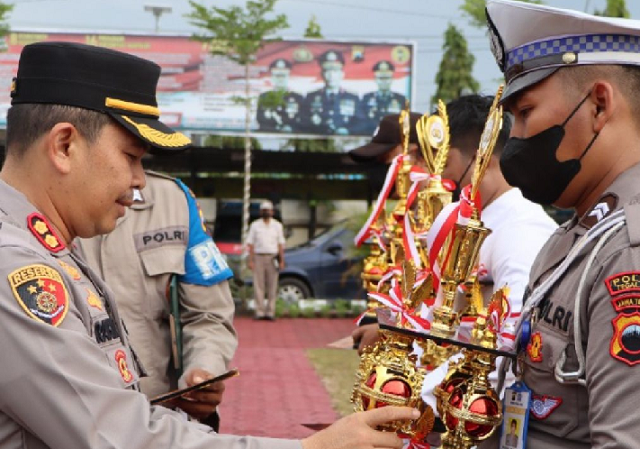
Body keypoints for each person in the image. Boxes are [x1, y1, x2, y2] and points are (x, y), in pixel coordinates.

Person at [0, 40, 418, 448]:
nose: (139, 180)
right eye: (131, 156)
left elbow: (202, 316)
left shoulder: (54, 244)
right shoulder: (15, 267)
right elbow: (119, 436)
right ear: (64, 145)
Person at [484, 1, 640, 447]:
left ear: (599, 104)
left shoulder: (628, 249)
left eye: (526, 112)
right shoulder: (577, 235)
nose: (514, 140)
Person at [351, 96, 557, 354]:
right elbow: (442, 318)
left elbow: (510, 342)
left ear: (480, 157)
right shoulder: (470, 219)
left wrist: (429, 388)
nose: (439, 177)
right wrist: (392, 334)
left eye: (445, 163)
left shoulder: (522, 230)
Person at [78, 170, 237, 429]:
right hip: (68, 426)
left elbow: (209, 314)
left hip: (159, 421)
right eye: (128, 154)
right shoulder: (25, 204)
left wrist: (202, 372)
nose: (139, 176)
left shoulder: (174, 201)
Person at [302, 49, 360, 135]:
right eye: (327, 71)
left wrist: (347, 130)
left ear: (342, 74)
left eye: (335, 71)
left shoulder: (353, 98)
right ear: (321, 74)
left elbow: (361, 122)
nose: (331, 75)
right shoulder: (311, 97)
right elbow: (303, 121)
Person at [247, 200, 286, 320]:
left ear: (272, 212)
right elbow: (251, 244)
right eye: (264, 210)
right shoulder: (255, 225)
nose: (266, 212)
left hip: (272, 257)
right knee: (258, 285)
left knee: (272, 285)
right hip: (258, 257)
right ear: (260, 212)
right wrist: (251, 260)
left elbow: (280, 244)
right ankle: (259, 311)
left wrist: (281, 260)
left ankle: (270, 312)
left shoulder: (277, 226)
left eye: (268, 210)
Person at [256, 58, 304, 133]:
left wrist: (290, 128)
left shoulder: (298, 98)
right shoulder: (264, 97)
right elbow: (260, 119)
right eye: (277, 76)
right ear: (272, 77)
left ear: (288, 77)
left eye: (283, 76)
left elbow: (302, 120)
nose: (280, 79)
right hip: (270, 135)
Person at [359, 61, 406, 133]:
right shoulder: (366, 98)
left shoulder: (401, 99)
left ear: (391, 79)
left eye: (387, 78)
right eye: (381, 78)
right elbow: (362, 121)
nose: (384, 81)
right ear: (375, 79)